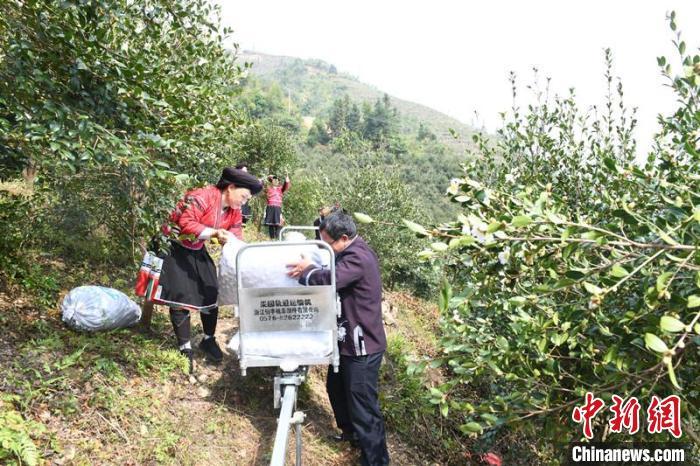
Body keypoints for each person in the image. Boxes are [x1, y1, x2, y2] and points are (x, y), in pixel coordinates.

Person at [287, 211, 390, 466]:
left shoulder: (358, 257)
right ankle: (352, 435)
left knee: (363, 404)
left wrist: (307, 271)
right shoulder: (347, 251)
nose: (327, 248)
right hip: (347, 343)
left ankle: (376, 459)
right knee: (336, 388)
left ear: (344, 238)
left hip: (362, 345)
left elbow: (331, 278)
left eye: (328, 243)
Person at [155, 167, 263, 364]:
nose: (244, 202)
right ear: (230, 187)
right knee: (179, 295)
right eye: (244, 196)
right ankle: (184, 347)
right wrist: (214, 233)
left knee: (211, 290)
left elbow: (236, 238)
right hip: (173, 243)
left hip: (196, 247)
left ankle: (208, 339)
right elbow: (186, 223)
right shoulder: (202, 196)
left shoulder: (234, 212)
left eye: (247, 199)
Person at [263, 173, 290, 239]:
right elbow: (264, 184)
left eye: (277, 180)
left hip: (277, 208)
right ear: (271, 181)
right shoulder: (268, 189)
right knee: (271, 225)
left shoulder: (280, 189)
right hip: (270, 207)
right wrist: (269, 177)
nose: (276, 181)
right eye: (274, 180)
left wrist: (286, 180)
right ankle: (272, 239)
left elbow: (286, 186)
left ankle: (277, 239)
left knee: (279, 224)